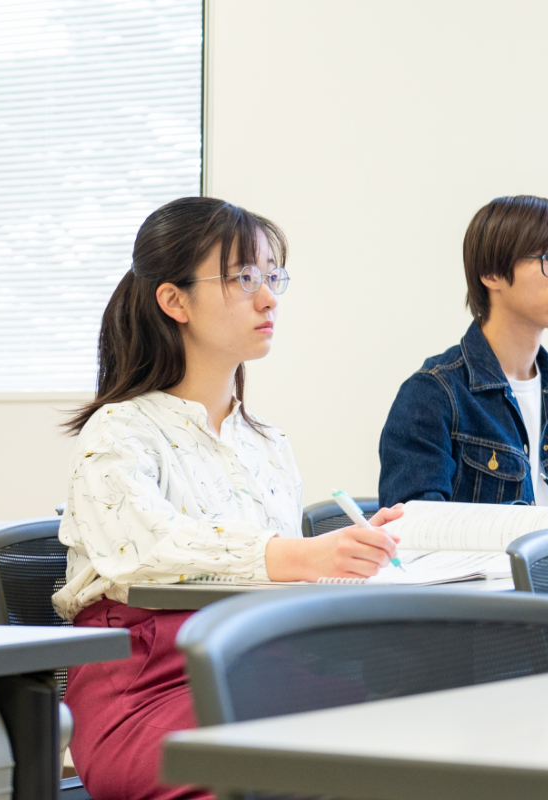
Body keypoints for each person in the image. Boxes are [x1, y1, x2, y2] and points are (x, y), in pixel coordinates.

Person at [55, 197, 402, 800]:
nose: (268, 298)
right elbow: (145, 552)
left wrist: (365, 556)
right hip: (148, 690)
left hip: (262, 667)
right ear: (175, 300)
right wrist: (302, 556)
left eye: (273, 276)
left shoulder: (267, 442)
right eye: (244, 278)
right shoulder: (118, 430)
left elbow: (281, 583)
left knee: (423, 741)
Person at [378, 195, 548, 517]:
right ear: (491, 274)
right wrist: (535, 524)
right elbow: (418, 524)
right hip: (482, 570)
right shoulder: (433, 393)